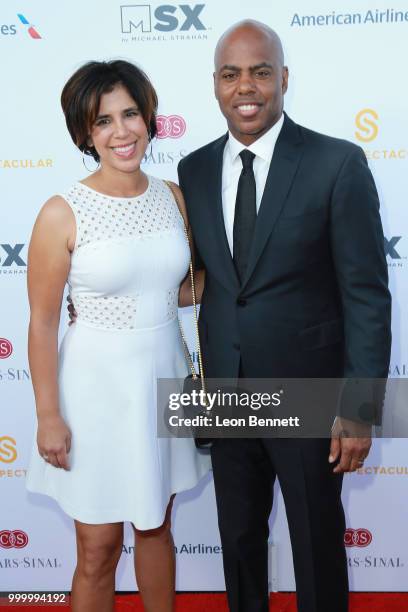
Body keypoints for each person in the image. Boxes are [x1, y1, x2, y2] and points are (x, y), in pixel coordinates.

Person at [177, 20, 391, 612]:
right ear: (215, 86)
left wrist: (359, 408)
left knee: (317, 546)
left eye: (260, 71)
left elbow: (368, 295)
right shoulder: (193, 171)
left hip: (310, 396)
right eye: (230, 74)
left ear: (284, 79)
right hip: (224, 393)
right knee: (238, 544)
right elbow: (203, 278)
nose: (246, 86)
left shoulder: (336, 163)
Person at [26, 59, 210, 612]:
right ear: (85, 133)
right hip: (93, 392)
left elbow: (181, 289)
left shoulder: (174, 197)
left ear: (149, 119)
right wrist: (48, 415)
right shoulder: (62, 212)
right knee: (97, 546)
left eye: (130, 114)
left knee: (157, 527)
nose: (121, 131)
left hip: (163, 377)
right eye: (103, 121)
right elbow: (41, 321)